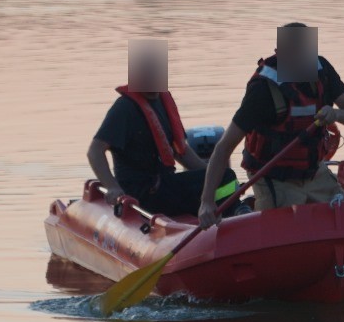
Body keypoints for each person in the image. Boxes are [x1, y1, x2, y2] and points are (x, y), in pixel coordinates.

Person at [198, 23, 344, 228]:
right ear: (279, 54)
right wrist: (206, 202)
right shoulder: (263, 90)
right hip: (273, 177)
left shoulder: (323, 72)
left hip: (313, 172)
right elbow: (224, 147)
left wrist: (336, 114)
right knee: (284, 230)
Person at [87, 72, 237, 218]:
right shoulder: (124, 108)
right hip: (143, 193)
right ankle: (231, 216)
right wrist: (112, 187)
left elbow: (181, 151)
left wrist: (211, 172)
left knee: (222, 175)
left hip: (165, 186)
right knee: (228, 177)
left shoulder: (163, 102)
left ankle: (225, 214)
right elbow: (95, 151)